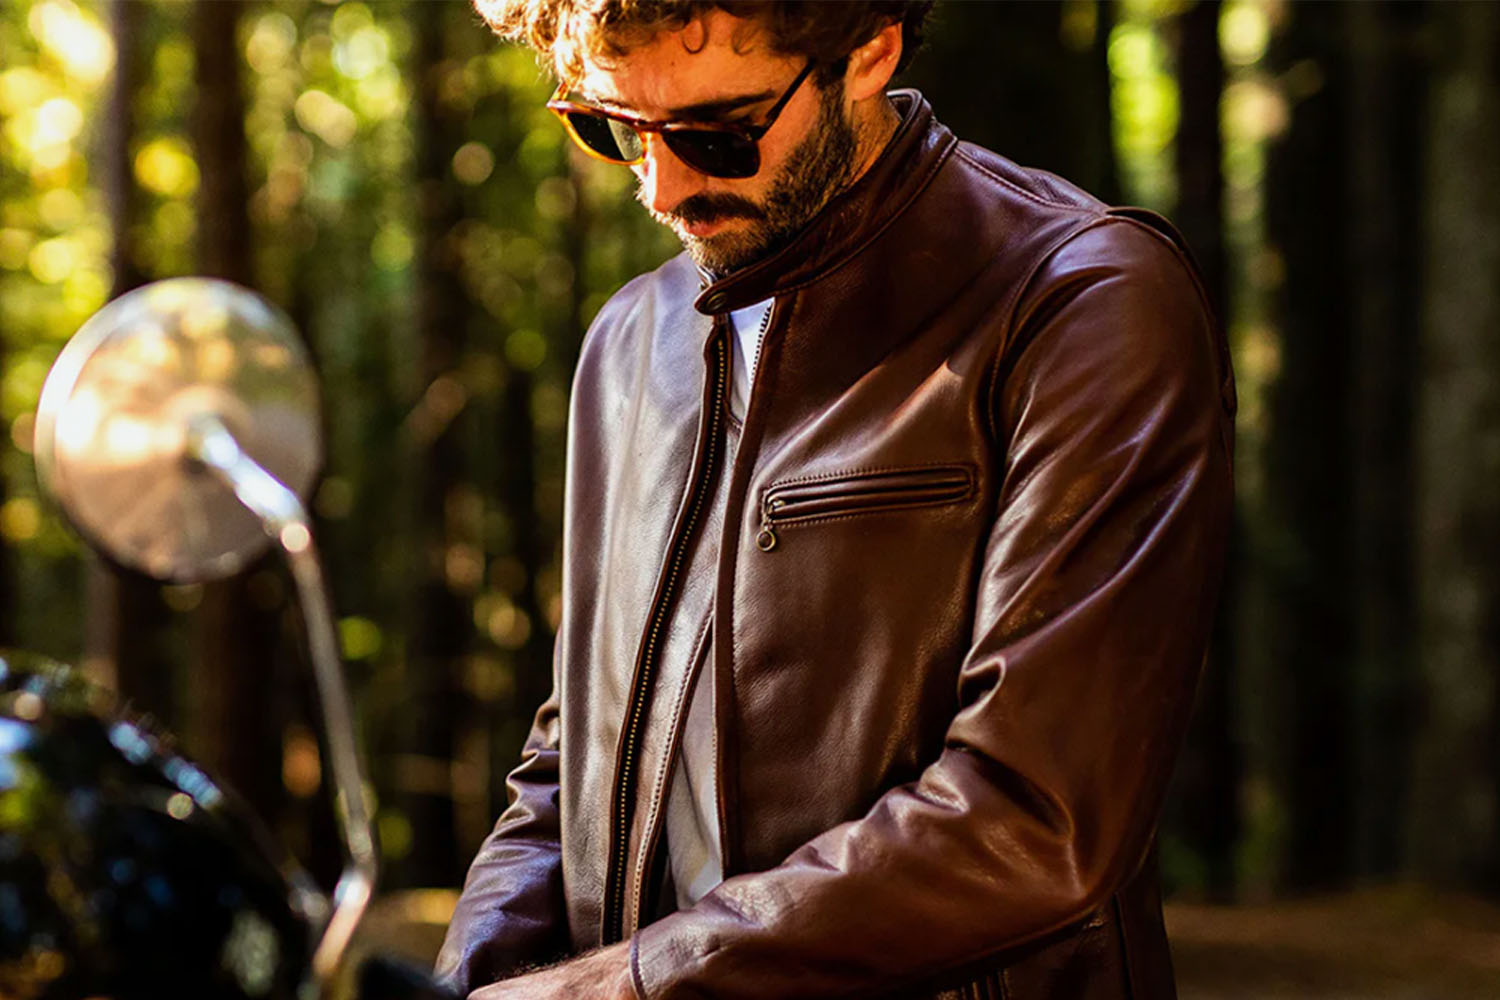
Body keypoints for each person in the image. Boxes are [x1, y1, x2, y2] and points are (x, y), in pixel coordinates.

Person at [437, 2, 1235, 998]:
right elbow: (570, 756)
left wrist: (621, 988)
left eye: (716, 133)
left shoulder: (1079, 302)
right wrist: (461, 976)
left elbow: (1039, 818)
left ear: (868, 53)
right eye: (612, 127)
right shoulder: (628, 343)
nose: (662, 185)